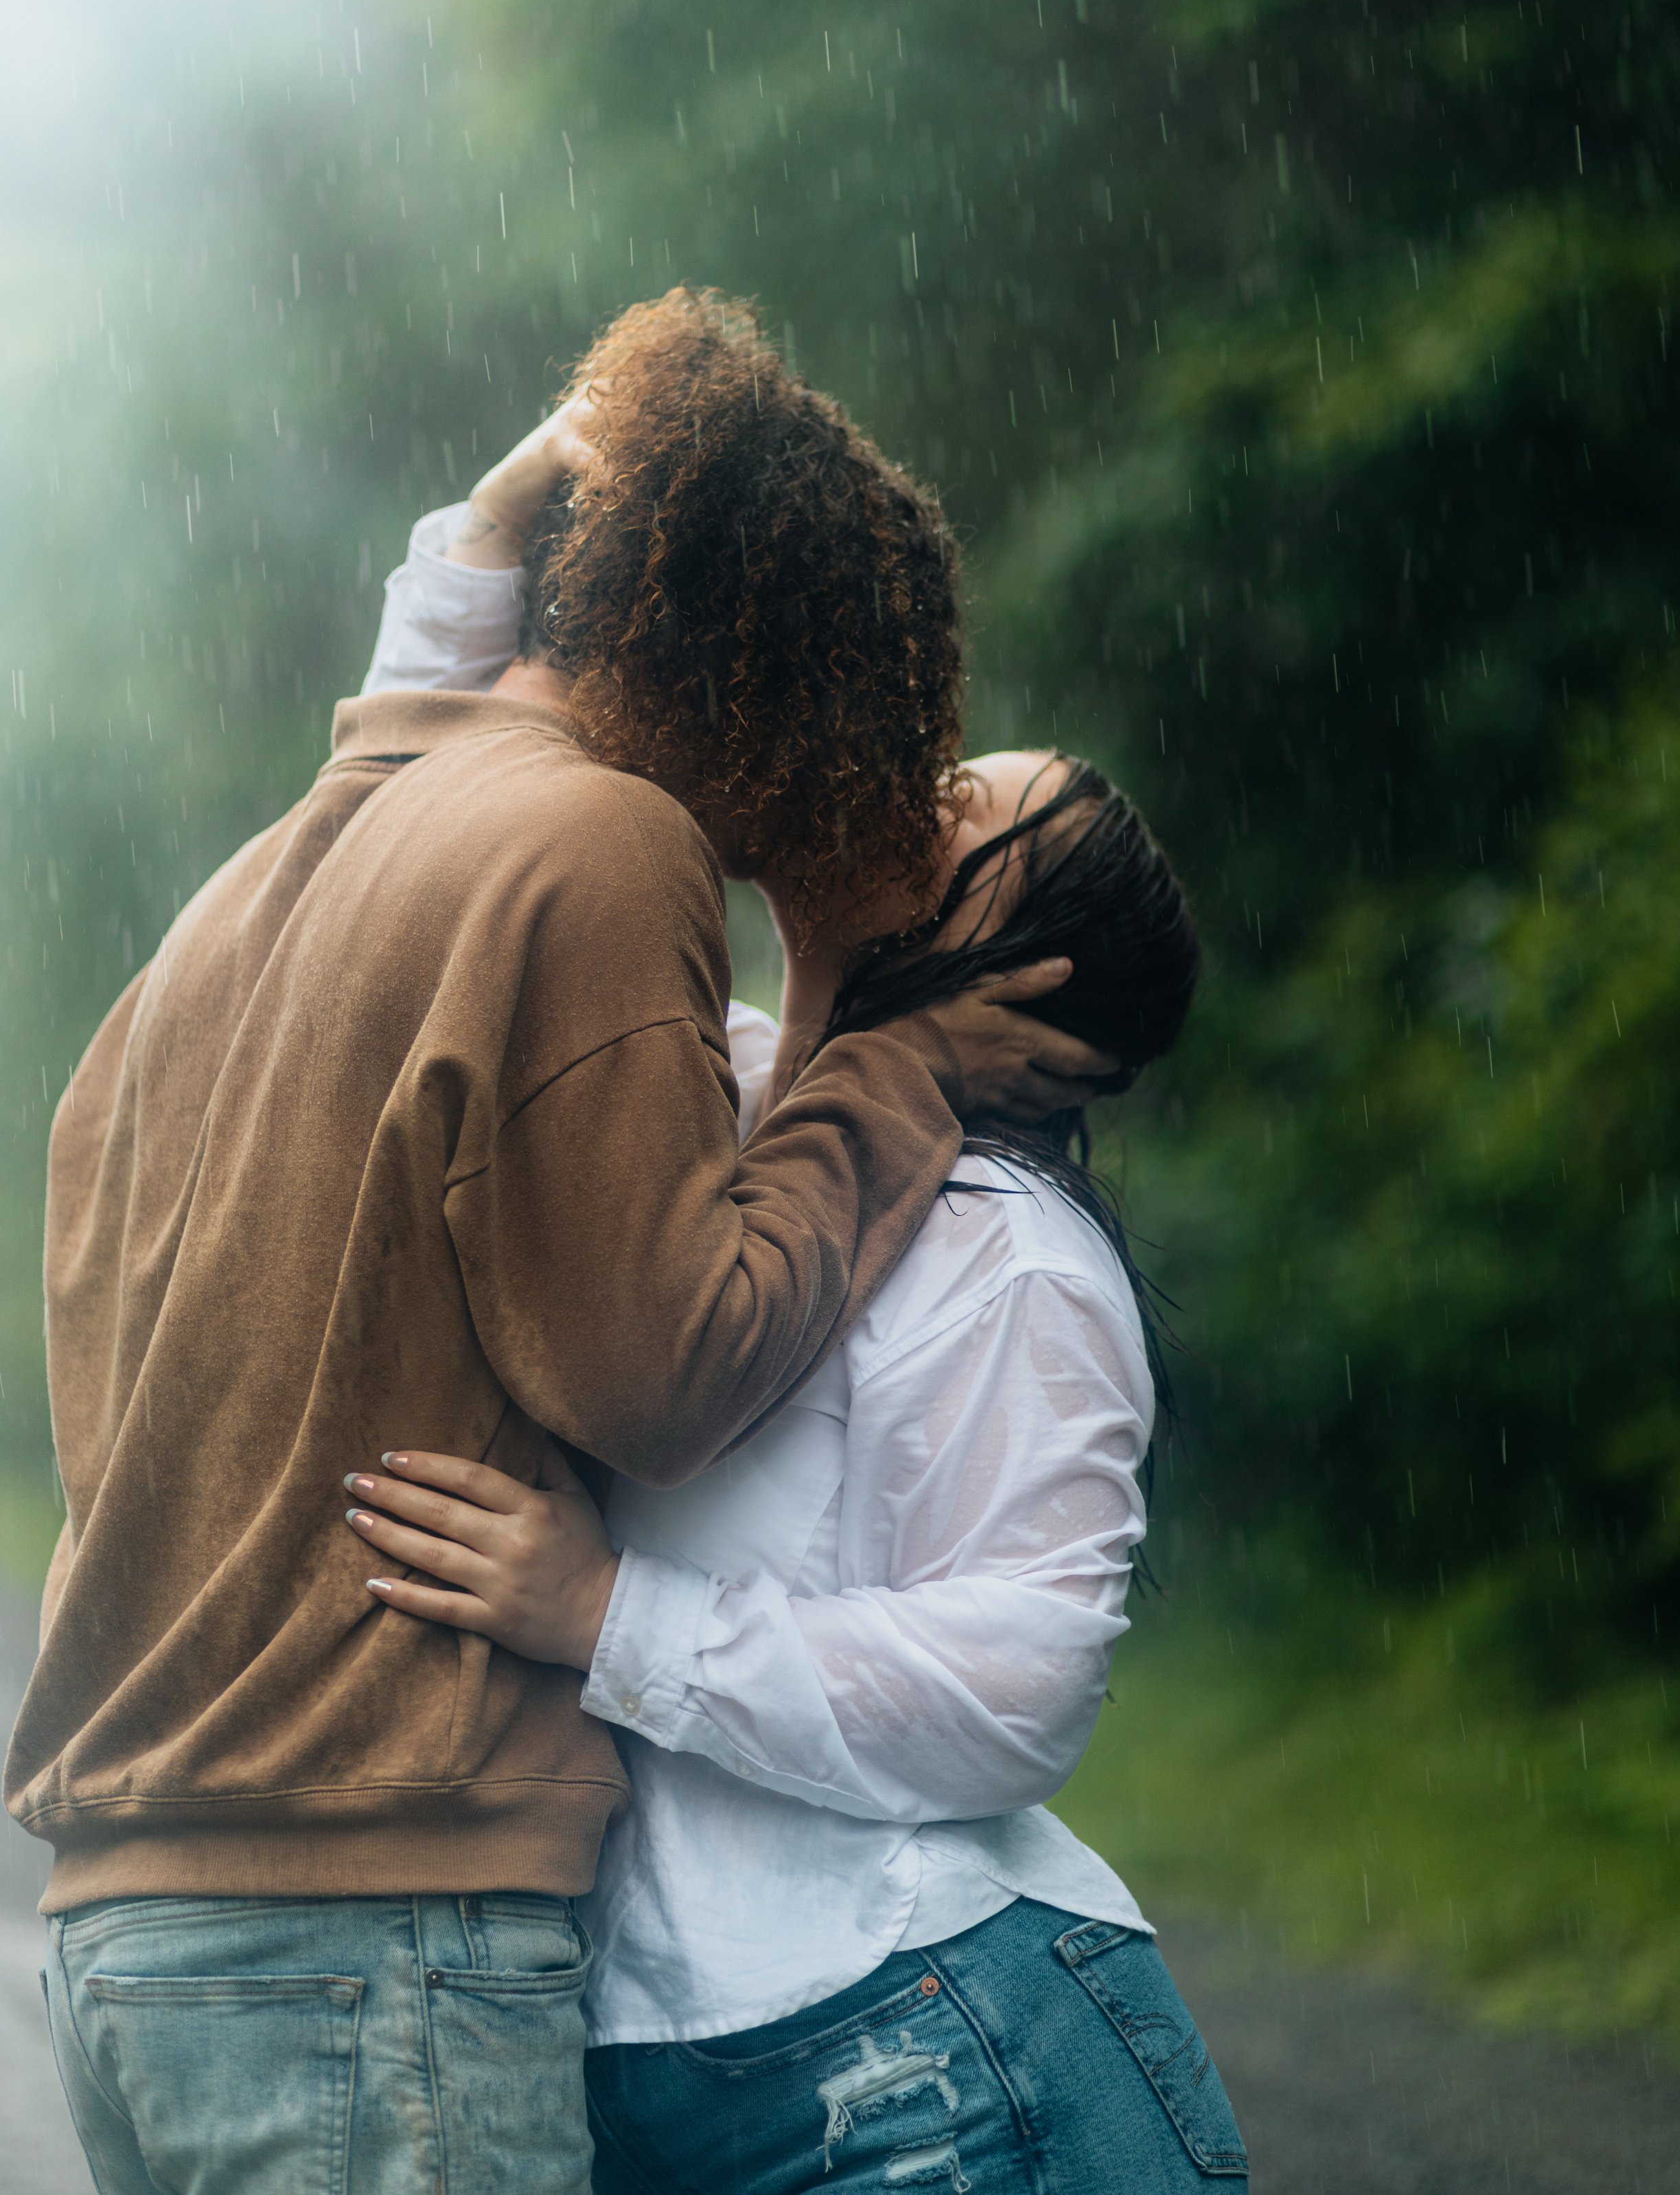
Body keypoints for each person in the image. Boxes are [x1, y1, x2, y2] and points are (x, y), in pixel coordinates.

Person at [10, 289, 1115, 2195]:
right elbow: (662, 1370)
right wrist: (905, 1064)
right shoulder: (599, 842)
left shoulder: (262, 887)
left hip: (134, 1929)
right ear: (798, 688)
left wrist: (481, 543)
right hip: (371, 1937)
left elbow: (406, 755)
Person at [324, 464, 1248, 2189]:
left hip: (939, 2059)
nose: (912, 784)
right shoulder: (720, 1093)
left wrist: (609, 1618)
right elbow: (428, 863)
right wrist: (475, 552)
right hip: (664, 2078)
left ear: (1018, 967)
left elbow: (1025, 1678)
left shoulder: (1013, 1259)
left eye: (965, 806)